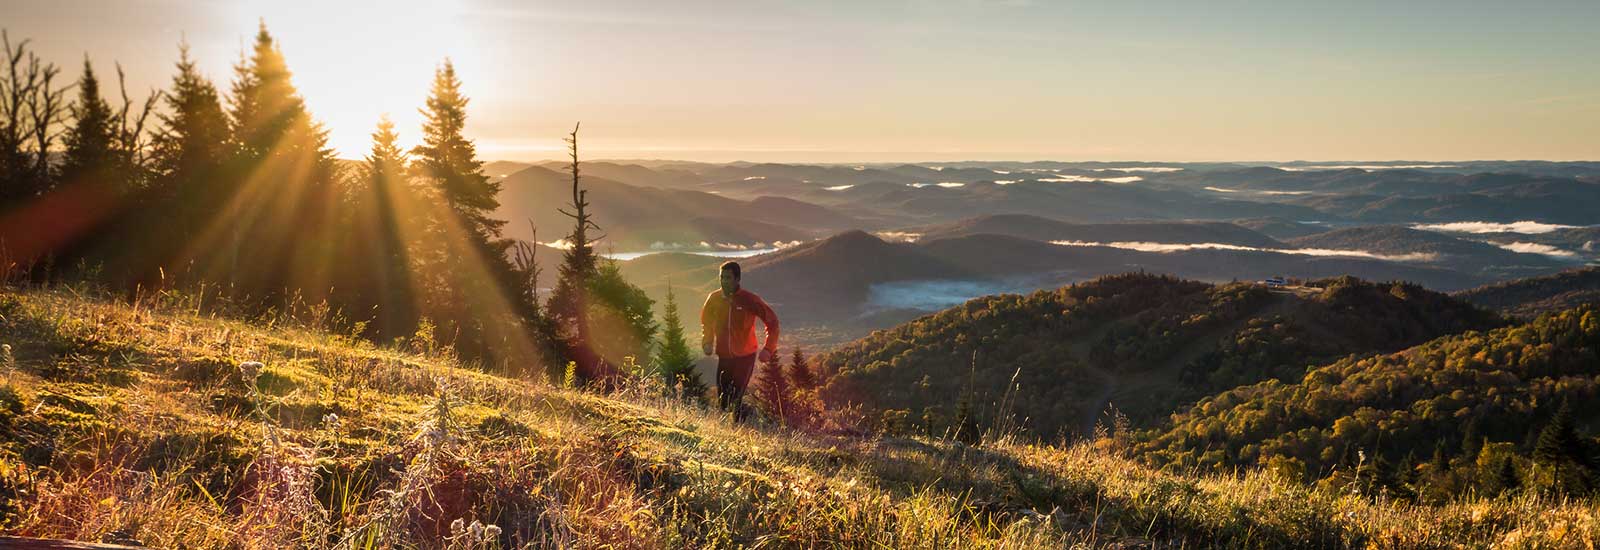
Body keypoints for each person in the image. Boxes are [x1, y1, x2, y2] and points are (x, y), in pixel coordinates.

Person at [700, 261, 779, 421]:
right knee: (723, 400)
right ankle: (729, 429)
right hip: (724, 356)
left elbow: (772, 322)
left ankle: (742, 428)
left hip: (745, 357)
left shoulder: (749, 299)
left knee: (735, 397)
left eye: (728, 278)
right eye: (722, 277)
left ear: (737, 279)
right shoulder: (714, 299)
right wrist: (707, 341)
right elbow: (706, 321)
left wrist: (768, 349)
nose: (724, 281)